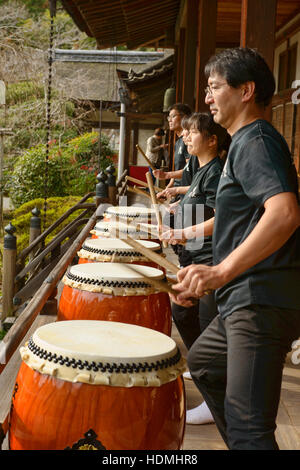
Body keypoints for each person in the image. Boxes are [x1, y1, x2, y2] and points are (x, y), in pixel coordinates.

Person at [171, 47, 300, 450]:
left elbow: (284, 214)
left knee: (249, 427)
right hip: (241, 296)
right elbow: (239, 220)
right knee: (205, 364)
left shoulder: (257, 140)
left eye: (214, 87)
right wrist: (203, 276)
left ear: (246, 90)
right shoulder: (242, 142)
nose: (207, 99)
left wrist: (220, 271)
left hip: (259, 300)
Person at [161, 112, 230, 425]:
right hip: (192, 255)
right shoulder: (202, 170)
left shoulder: (215, 171)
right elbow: (198, 202)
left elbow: (220, 217)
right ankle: (206, 373)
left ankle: (215, 396)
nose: (186, 137)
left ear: (212, 140)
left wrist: (181, 232)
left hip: (208, 258)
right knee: (184, 314)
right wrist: (179, 206)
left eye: (193, 133)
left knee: (201, 320)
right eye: (185, 133)